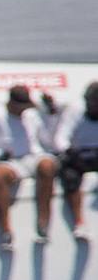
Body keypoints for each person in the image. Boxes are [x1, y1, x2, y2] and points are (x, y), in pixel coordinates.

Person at [0, 84, 58, 250]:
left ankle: (43, 222)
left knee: (47, 166)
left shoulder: (32, 115)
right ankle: (5, 230)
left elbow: (48, 140)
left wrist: (51, 114)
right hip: (10, 161)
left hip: (32, 157)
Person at [51, 81, 98, 240]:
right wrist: (68, 151)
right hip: (79, 155)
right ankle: (79, 222)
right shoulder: (75, 110)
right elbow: (61, 137)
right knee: (70, 177)